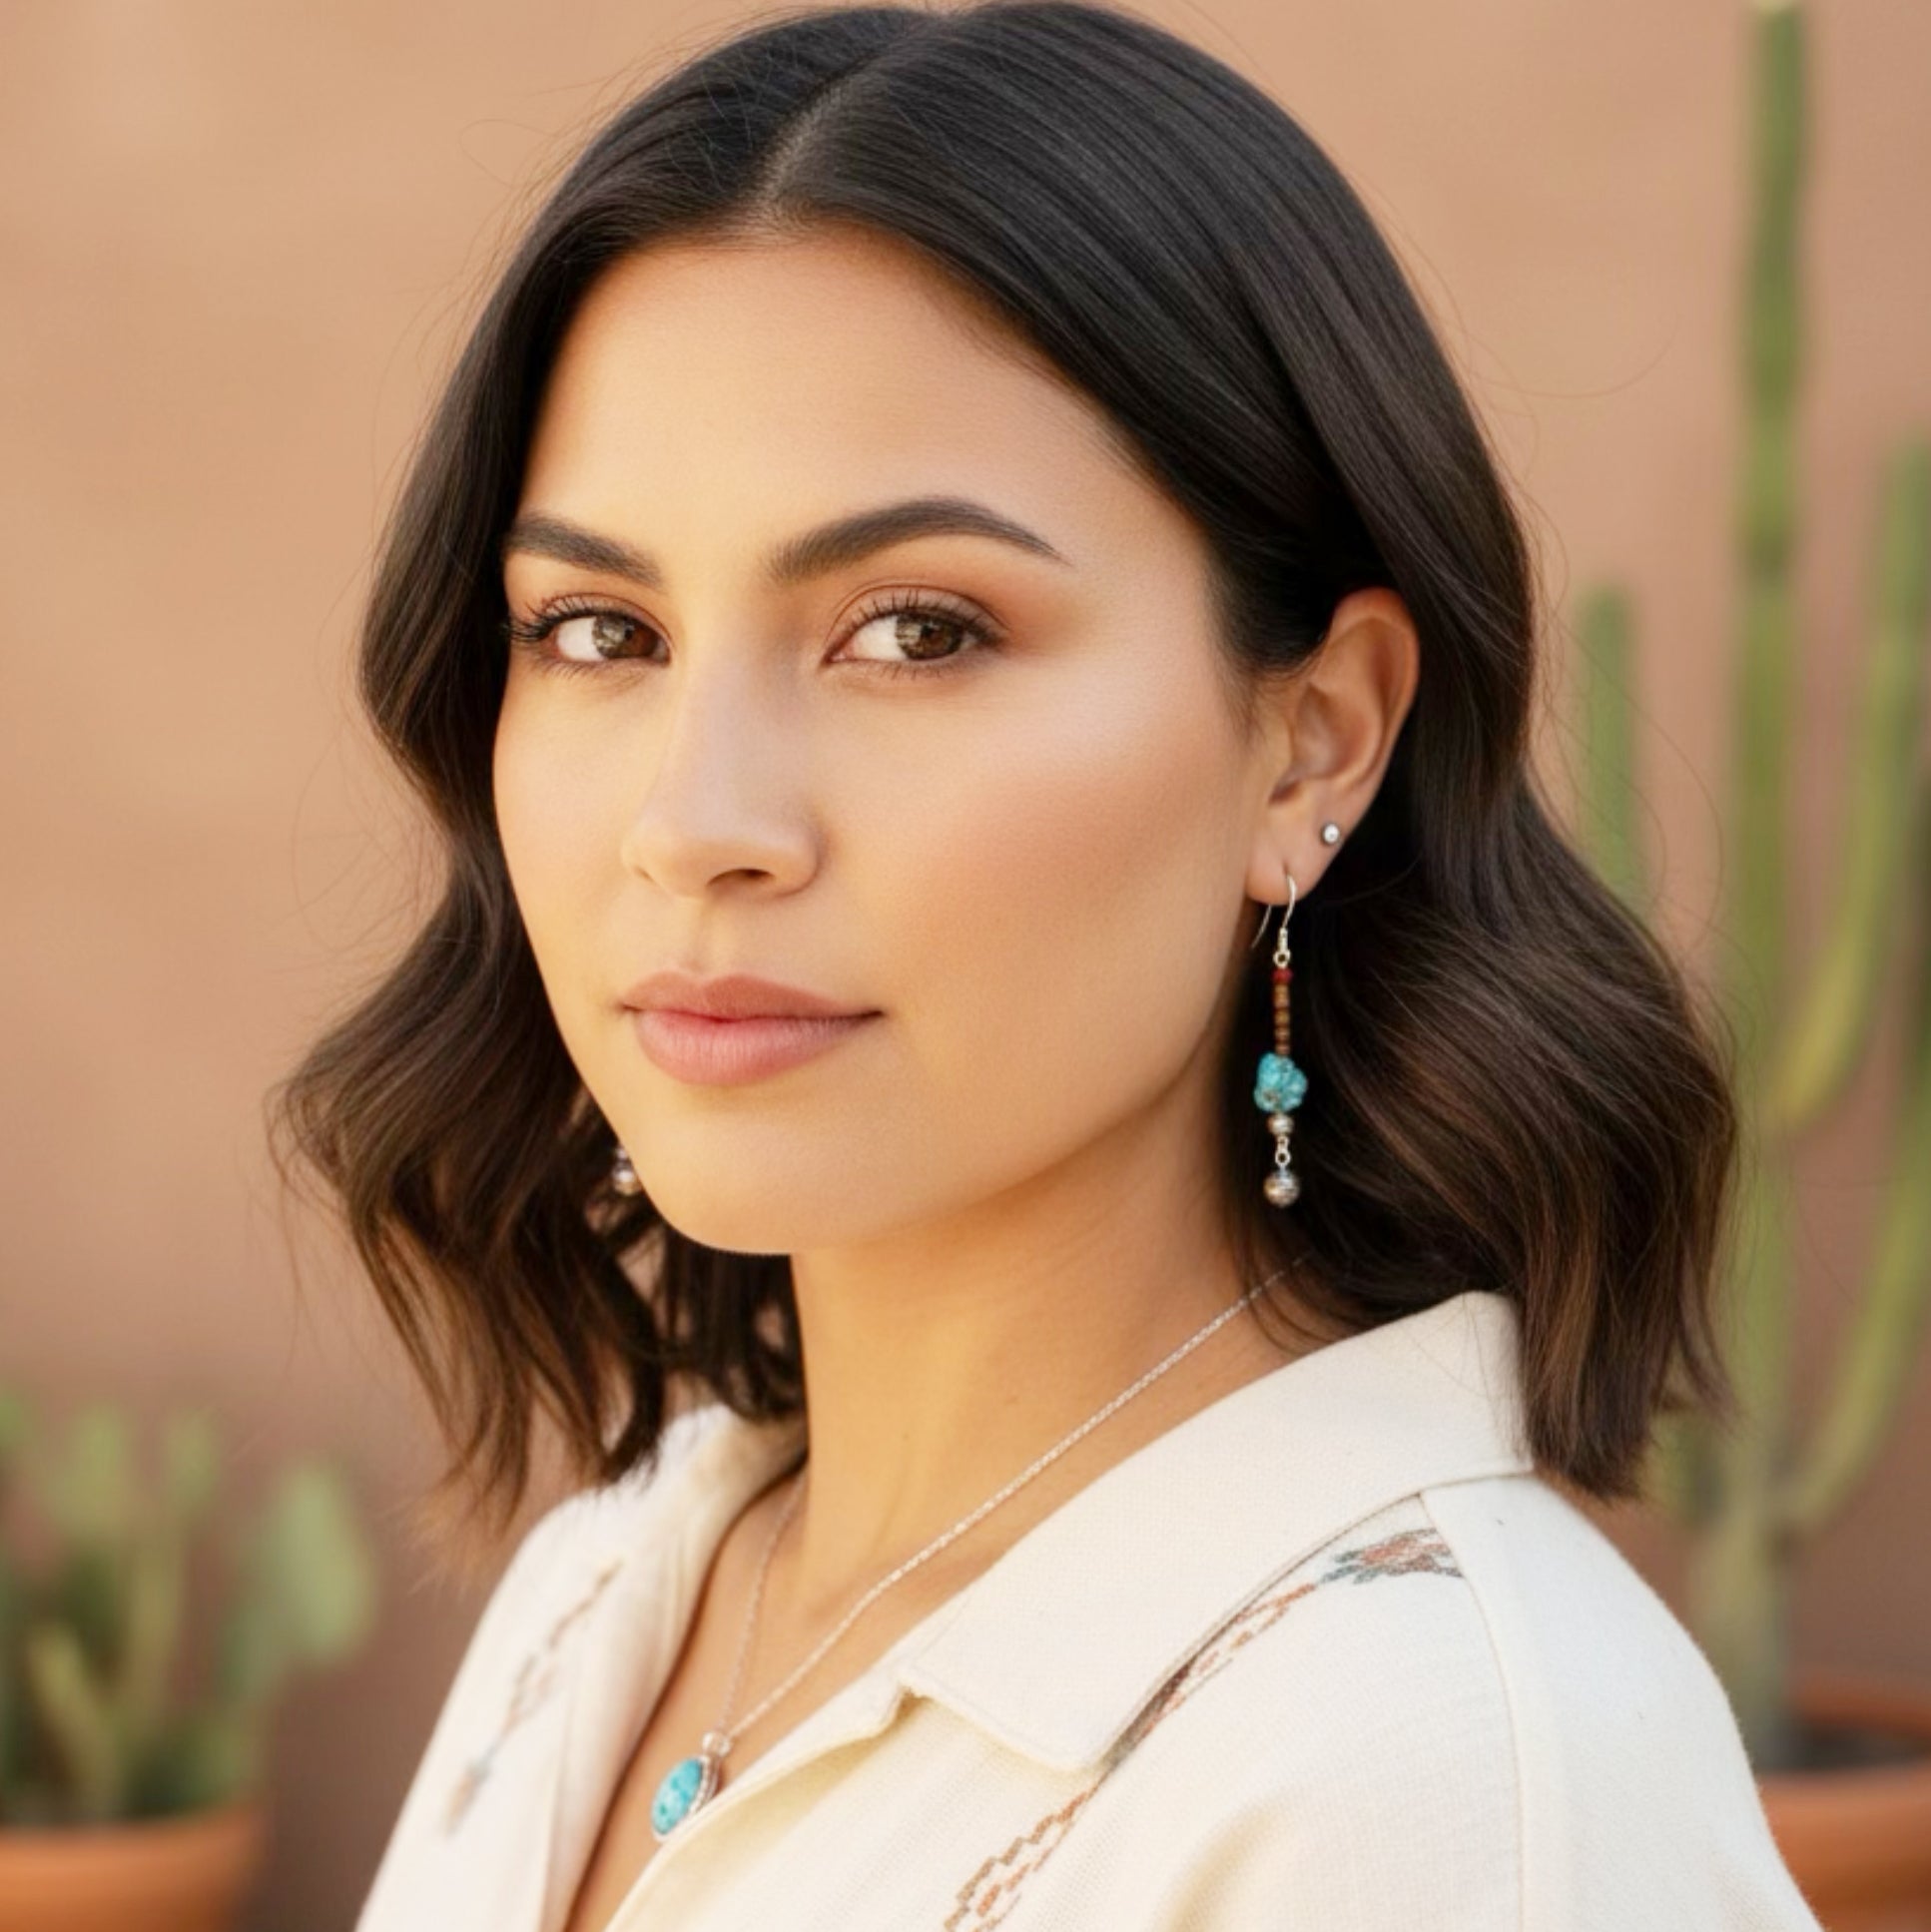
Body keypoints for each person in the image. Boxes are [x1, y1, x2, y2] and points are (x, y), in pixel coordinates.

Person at [272, 2, 1826, 1926]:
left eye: (916, 631)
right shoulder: (614, 1581)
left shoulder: (1439, 1774)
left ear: (1313, 738)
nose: (698, 820)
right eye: (597, 630)